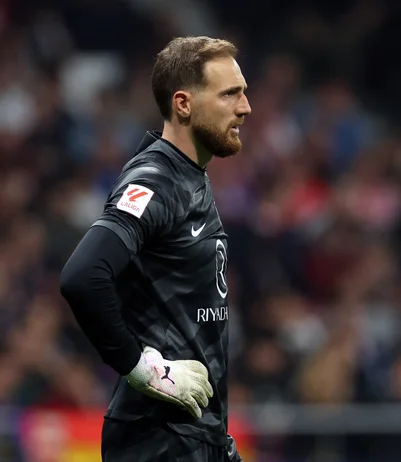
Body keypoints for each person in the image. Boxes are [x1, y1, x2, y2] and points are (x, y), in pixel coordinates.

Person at [59, 36, 251, 461]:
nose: (245, 107)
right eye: (230, 94)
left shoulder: (189, 177)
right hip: (158, 438)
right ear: (183, 103)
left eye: (244, 92)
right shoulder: (154, 180)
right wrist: (144, 370)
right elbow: (83, 277)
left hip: (195, 437)